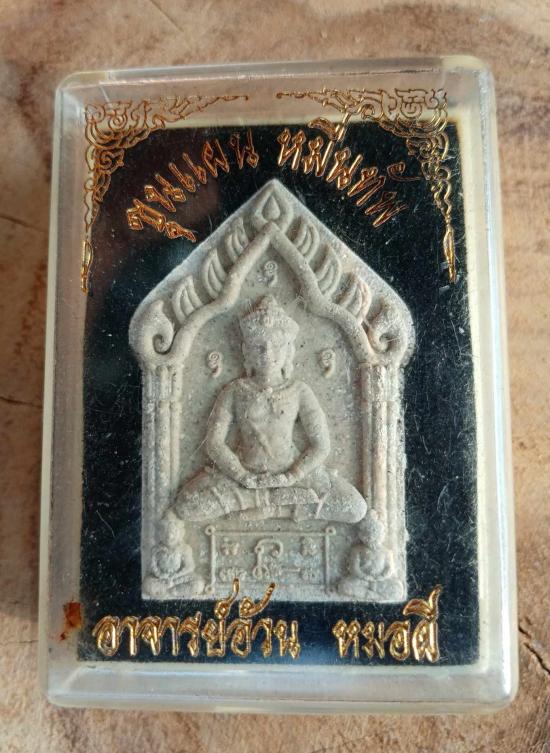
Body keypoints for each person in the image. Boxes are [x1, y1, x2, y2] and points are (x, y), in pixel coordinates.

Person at [173, 295, 367, 523]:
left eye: (276, 346)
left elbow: (321, 446)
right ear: (246, 351)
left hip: (293, 475)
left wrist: (291, 476)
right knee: (186, 506)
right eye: (259, 347)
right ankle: (275, 501)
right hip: (244, 475)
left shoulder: (299, 391)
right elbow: (215, 444)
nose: (268, 355)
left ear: (288, 351)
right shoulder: (235, 391)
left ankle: (270, 509)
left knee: (355, 507)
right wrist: (241, 476)